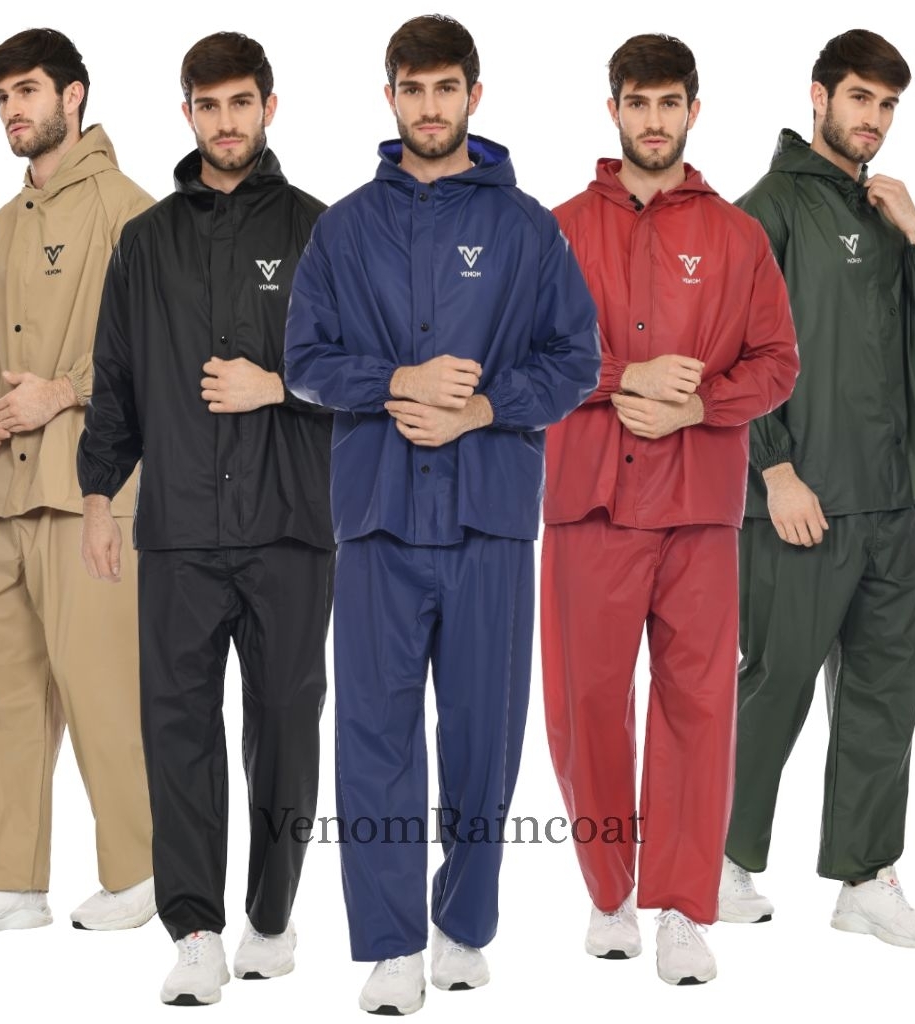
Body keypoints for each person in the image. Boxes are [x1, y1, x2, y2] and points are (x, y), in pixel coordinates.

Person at [285, 13, 598, 1015]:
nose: (429, 107)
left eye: (445, 88)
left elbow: (576, 361)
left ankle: (463, 924)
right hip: (377, 515)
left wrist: (481, 407)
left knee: (482, 735)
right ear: (389, 98)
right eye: (411, 89)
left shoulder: (528, 229)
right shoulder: (343, 228)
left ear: (474, 95)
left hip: (489, 516)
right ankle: (390, 947)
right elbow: (304, 361)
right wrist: (399, 382)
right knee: (373, 735)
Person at [77, 31, 334, 1006]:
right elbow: (114, 381)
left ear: (269, 107)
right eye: (209, 105)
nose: (226, 122)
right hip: (179, 529)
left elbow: (363, 374)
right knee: (177, 729)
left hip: (289, 526)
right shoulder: (145, 242)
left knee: (285, 725)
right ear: (187, 113)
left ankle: (272, 912)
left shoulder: (319, 231)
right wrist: (99, 499)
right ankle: (194, 930)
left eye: (241, 103)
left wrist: (277, 384)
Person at [541, 33, 798, 986]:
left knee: (697, 707)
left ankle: (685, 907)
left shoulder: (738, 236)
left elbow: (778, 362)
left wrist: (700, 406)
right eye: (638, 103)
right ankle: (609, 891)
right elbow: (525, 355)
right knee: (586, 708)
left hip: (697, 509)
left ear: (694, 110)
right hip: (590, 503)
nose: (654, 121)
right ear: (613, 110)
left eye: (669, 103)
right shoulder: (558, 229)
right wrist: (625, 377)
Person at [720, 28, 915, 949]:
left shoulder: (885, 209)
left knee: (883, 696)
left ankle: (866, 878)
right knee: (775, 683)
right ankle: (719, 858)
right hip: (802, 502)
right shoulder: (766, 210)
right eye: (861, 97)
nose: (875, 119)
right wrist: (775, 469)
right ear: (818, 96)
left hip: (891, 499)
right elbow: (728, 354)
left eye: (888, 104)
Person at [0, 27, 155, 944]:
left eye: (26, 90)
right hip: (3, 496)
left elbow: (162, 348)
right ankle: (8, 882)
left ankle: (142, 870)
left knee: (102, 685)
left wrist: (62, 392)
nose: (11, 109)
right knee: (0, 690)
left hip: (89, 492)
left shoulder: (129, 211)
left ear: (74, 95)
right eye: (1, 96)